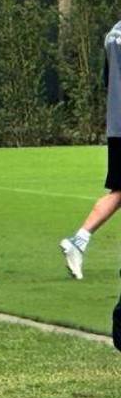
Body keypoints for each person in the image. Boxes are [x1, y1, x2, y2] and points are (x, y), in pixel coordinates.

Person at [60, 17, 121, 279]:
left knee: (119, 190)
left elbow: (107, 80)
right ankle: (79, 240)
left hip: (116, 125)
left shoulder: (112, 33)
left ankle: (80, 240)